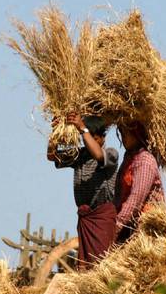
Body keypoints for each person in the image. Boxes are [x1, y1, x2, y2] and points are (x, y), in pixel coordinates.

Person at [47, 112, 118, 269]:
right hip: (85, 218)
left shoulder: (111, 154)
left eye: (93, 138)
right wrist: (56, 132)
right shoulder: (80, 154)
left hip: (102, 219)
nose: (87, 141)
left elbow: (98, 155)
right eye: (86, 137)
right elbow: (52, 156)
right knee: (85, 266)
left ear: (102, 138)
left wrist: (82, 129)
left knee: (102, 265)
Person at [115, 121, 165, 243]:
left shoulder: (145, 161)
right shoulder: (128, 158)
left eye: (127, 133)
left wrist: (116, 225)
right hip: (128, 223)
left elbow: (135, 199)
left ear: (137, 133)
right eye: (122, 132)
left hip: (146, 227)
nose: (123, 137)